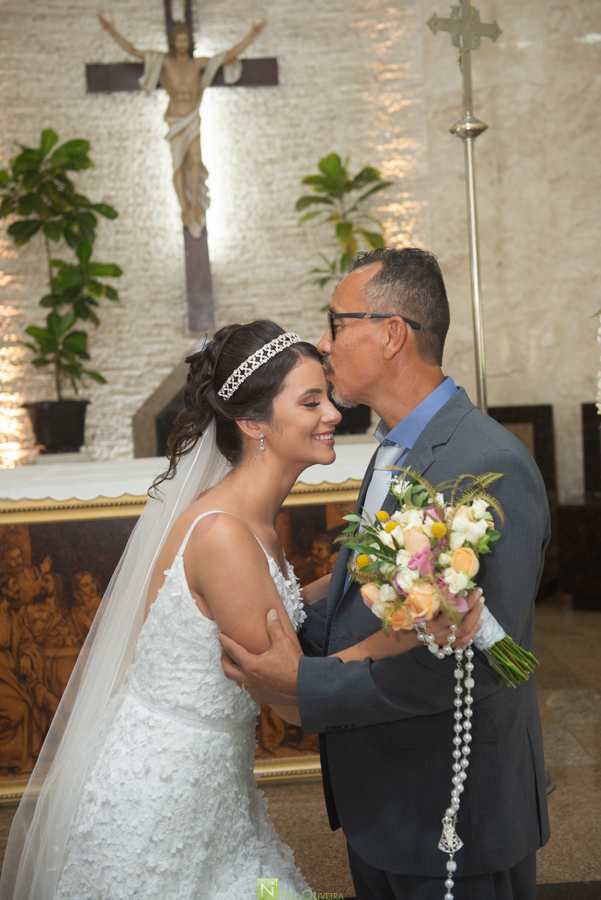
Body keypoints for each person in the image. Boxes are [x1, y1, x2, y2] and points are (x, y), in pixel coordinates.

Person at [0, 320, 481, 900]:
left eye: (326, 395)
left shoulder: (245, 518)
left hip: (210, 784)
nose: (333, 413)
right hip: (169, 794)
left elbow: (257, 605)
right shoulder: (225, 534)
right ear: (253, 423)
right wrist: (406, 630)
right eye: (311, 401)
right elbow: (287, 697)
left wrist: (363, 577)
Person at [218, 249, 551, 900]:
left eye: (336, 323)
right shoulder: (395, 448)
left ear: (392, 332)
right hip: (388, 802)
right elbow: (367, 593)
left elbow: (470, 662)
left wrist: (301, 685)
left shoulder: (485, 463)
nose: (323, 342)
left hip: (450, 810)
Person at [98, 15, 265, 237]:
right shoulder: (165, 63)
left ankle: (195, 201)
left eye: (185, 40)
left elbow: (228, 56)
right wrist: (112, 31)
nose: (181, 45)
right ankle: (183, 208)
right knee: (177, 165)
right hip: (176, 119)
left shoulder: (198, 64)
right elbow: (133, 51)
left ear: (190, 43)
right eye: (178, 40)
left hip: (192, 117)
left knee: (195, 159)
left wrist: (252, 34)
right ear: (173, 42)